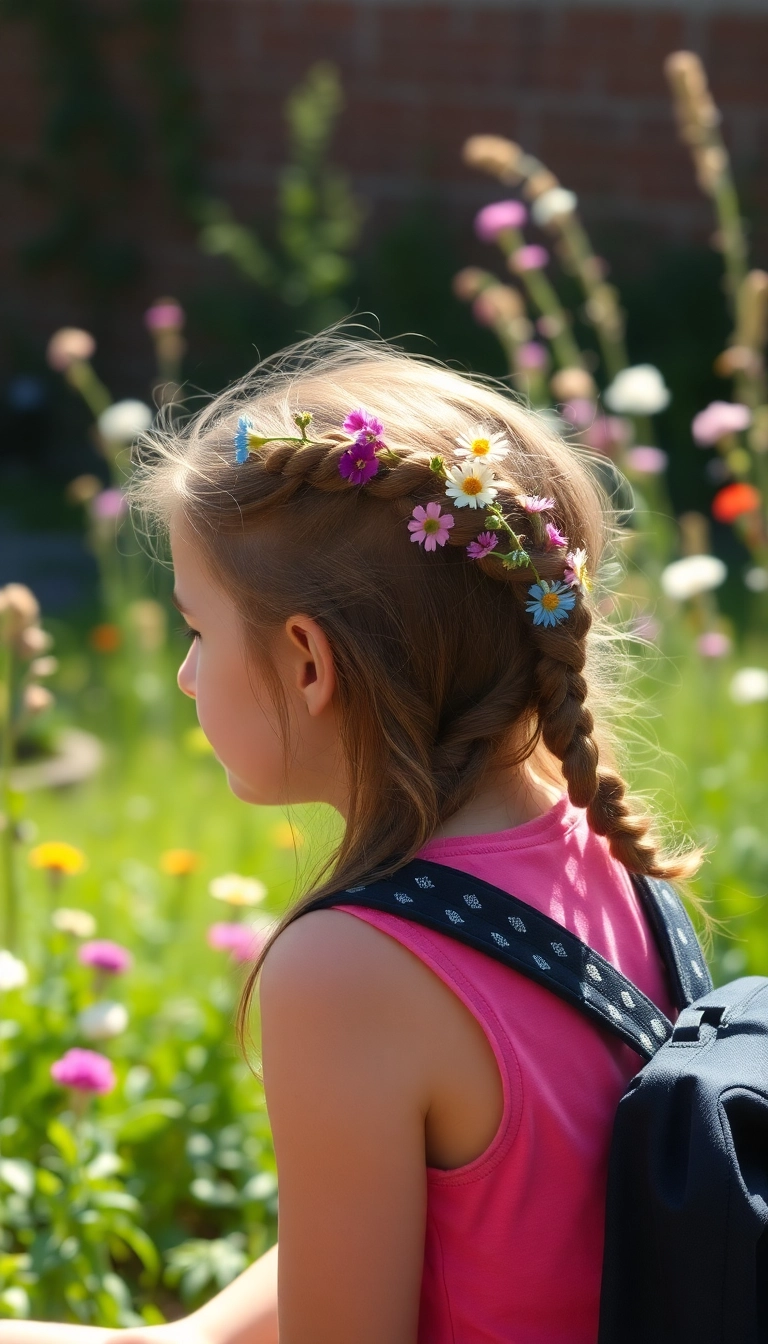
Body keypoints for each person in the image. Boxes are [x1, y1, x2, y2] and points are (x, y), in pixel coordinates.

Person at [3, 334, 701, 1344]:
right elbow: (454, 1228)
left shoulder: (354, 969)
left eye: (198, 631)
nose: (189, 677)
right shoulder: (602, 850)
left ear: (307, 664)